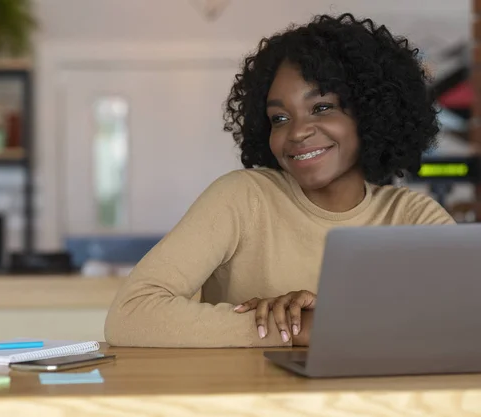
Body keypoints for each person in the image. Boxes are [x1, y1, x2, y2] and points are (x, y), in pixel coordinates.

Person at [104, 13, 455, 348]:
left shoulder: (414, 217)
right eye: (279, 118)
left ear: (370, 113)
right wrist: (295, 329)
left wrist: (328, 322)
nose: (298, 132)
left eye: (321, 108)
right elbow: (131, 314)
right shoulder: (243, 198)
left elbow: (460, 320)